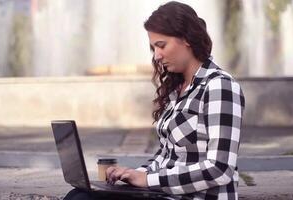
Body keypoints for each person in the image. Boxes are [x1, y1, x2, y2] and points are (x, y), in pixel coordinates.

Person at [65, 1, 245, 200]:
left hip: (197, 197)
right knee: (79, 193)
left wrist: (148, 180)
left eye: (161, 45)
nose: (157, 56)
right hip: (166, 194)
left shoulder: (219, 86)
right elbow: (166, 157)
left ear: (186, 38)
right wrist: (133, 174)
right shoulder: (177, 89)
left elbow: (220, 169)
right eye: (153, 48)